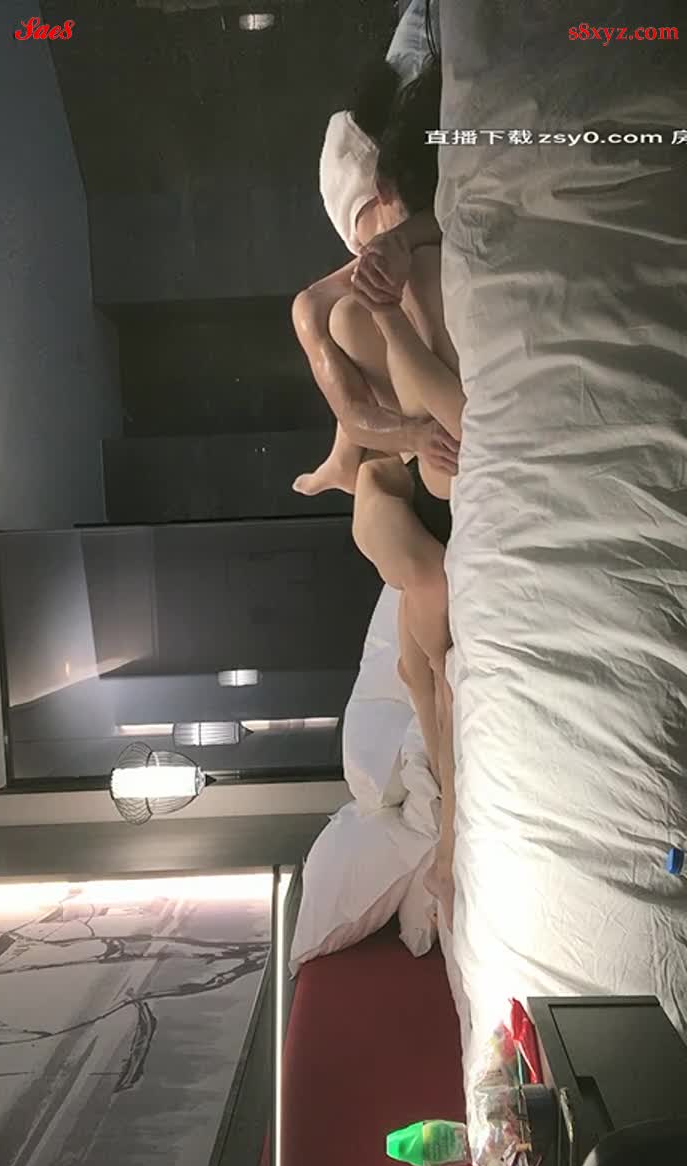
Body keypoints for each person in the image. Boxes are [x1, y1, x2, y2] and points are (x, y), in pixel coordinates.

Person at [325, 67, 464, 927]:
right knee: (428, 644)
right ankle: (448, 837)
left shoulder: (415, 270)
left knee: (431, 650)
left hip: (414, 488)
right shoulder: (363, 297)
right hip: (398, 487)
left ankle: (449, 840)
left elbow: (446, 435)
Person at [292, 5, 456, 497]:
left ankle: (351, 458)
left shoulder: (418, 228)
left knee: (352, 308)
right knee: (332, 313)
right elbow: (353, 414)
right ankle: (347, 460)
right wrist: (413, 436)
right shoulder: (321, 304)